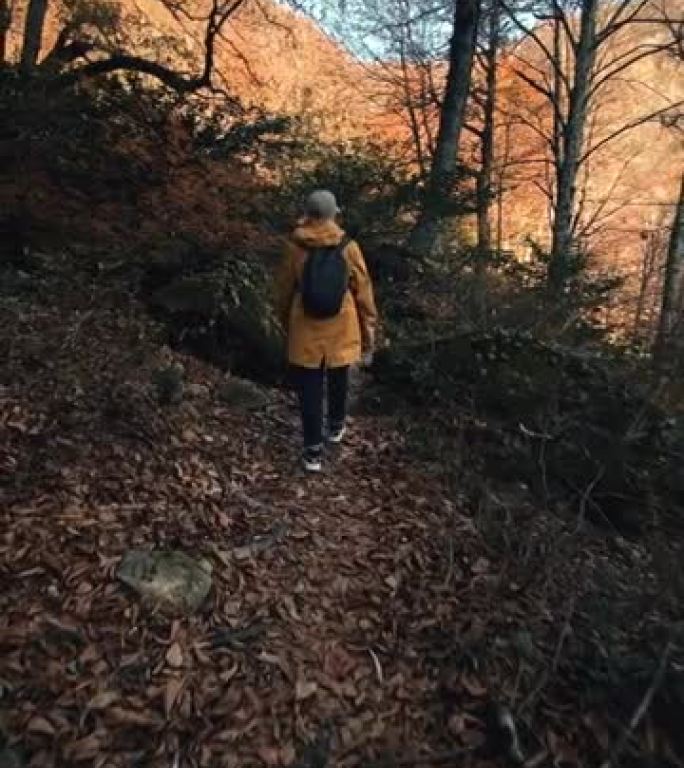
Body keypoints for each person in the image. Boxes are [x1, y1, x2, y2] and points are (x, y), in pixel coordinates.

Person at [277, 189, 378, 473]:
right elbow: (364, 293)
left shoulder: (295, 246)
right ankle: (335, 425)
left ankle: (312, 452)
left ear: (307, 214)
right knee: (338, 373)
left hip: (305, 324)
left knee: (309, 388)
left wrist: (285, 323)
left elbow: (283, 290)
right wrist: (369, 336)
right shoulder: (348, 246)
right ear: (335, 213)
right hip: (341, 325)